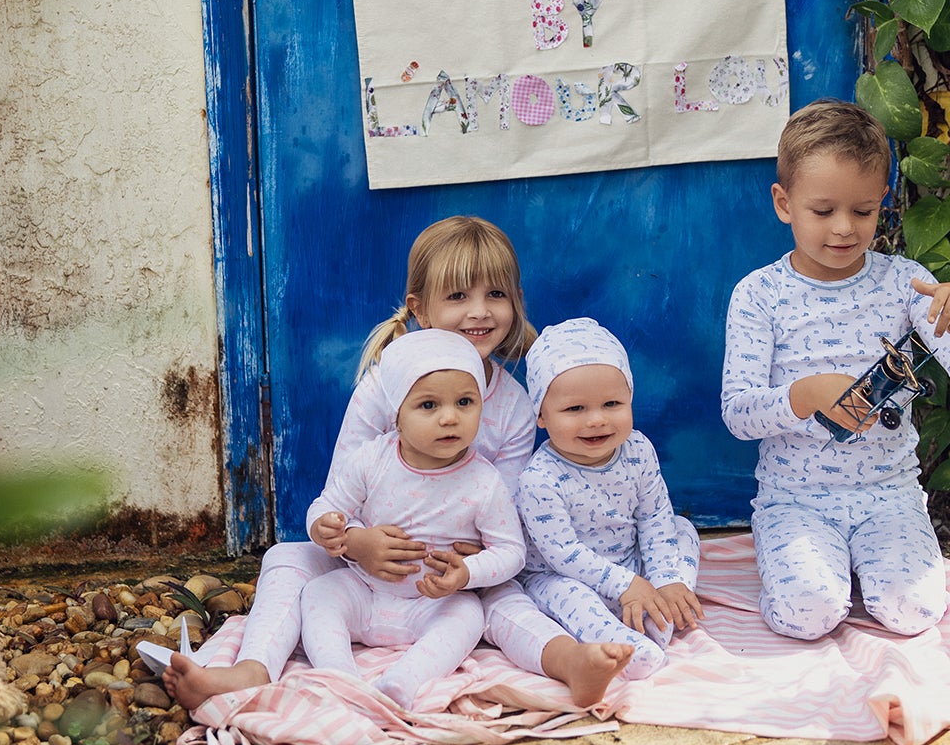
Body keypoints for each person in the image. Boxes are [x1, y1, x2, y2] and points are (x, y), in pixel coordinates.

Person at [165, 216, 631, 710]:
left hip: (453, 575)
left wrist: (473, 561)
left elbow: (512, 510)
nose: (479, 311)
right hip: (367, 566)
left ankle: (570, 662)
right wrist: (356, 543)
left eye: (495, 294)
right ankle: (252, 667)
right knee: (287, 559)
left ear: (515, 301)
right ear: (420, 309)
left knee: (503, 600)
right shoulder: (382, 389)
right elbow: (339, 495)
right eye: (457, 296)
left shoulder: (514, 404)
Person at [721, 97, 950, 642]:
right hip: (795, 501)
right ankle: (810, 569)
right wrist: (804, 396)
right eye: (823, 211)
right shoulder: (760, 295)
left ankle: (868, 563)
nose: (844, 228)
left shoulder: (906, 284)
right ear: (784, 203)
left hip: (890, 495)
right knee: (808, 613)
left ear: (883, 204)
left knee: (914, 611)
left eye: (863, 211)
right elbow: (737, 414)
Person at [300, 330, 524, 710]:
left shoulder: (485, 483)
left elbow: (511, 551)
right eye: (428, 405)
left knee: (468, 615)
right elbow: (327, 505)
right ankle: (339, 675)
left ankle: (404, 681)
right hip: (365, 590)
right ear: (397, 417)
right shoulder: (372, 459)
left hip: (432, 603)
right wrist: (324, 527)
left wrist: (467, 573)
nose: (449, 418)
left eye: (465, 402)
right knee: (319, 594)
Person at [517, 318, 702, 680]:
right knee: (571, 598)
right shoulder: (539, 478)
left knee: (681, 528)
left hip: (631, 565)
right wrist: (624, 584)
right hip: (566, 576)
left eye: (612, 403)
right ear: (540, 415)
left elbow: (654, 517)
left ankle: (663, 604)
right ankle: (624, 648)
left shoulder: (638, 450)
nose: (596, 420)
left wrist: (664, 577)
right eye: (575, 409)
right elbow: (563, 553)